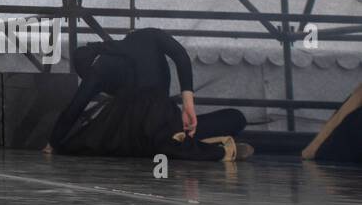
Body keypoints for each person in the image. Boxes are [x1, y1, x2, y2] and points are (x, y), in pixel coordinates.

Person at [45, 27, 251, 160]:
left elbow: (74, 108)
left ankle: (203, 147)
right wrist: (189, 103)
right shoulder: (146, 36)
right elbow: (180, 56)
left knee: (83, 142)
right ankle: (199, 144)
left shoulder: (98, 71)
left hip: (121, 131)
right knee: (236, 118)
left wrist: (53, 143)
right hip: (159, 118)